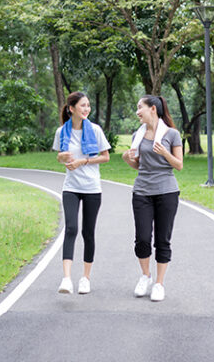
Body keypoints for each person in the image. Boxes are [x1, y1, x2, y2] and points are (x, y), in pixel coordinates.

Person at [121, 95, 183, 302]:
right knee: (142, 238)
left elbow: (179, 165)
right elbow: (139, 166)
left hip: (166, 192)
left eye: (140, 107)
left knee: (162, 240)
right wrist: (126, 159)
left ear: (153, 109)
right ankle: (145, 276)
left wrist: (165, 153)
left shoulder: (172, 134)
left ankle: (159, 283)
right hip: (142, 192)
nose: (137, 111)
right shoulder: (137, 135)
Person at [53, 91, 111, 294]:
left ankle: (85, 277)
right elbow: (59, 157)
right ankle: (67, 279)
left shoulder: (95, 130)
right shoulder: (62, 132)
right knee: (70, 229)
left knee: (88, 232)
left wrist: (83, 161)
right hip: (70, 187)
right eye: (82, 105)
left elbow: (105, 157)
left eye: (88, 105)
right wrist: (63, 158)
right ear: (71, 109)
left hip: (92, 188)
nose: (86, 109)